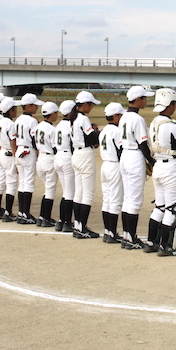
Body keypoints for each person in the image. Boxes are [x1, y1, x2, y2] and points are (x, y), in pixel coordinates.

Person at [144, 88, 176, 256]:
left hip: (158, 166)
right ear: (169, 104)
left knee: (160, 207)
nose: (175, 107)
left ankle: (151, 242)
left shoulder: (153, 124)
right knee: (172, 209)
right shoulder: (173, 125)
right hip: (171, 168)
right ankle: (166, 247)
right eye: (174, 104)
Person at [119, 85, 156, 249]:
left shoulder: (124, 117)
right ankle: (131, 238)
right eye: (145, 98)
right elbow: (143, 144)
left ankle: (127, 235)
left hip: (125, 156)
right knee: (134, 200)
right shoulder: (137, 119)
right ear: (138, 99)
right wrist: (153, 163)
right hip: (134, 156)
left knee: (127, 198)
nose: (146, 100)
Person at [71, 90, 101, 239]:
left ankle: (78, 225)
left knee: (79, 192)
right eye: (91, 105)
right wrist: (97, 133)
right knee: (87, 193)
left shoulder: (74, 118)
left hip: (76, 154)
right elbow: (91, 137)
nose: (91, 108)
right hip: (85, 155)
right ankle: (82, 227)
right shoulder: (83, 119)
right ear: (85, 104)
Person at [14, 93, 45, 224]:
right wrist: (38, 152)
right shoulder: (32, 121)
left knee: (22, 182)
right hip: (28, 151)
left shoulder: (18, 119)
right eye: (34, 105)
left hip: (19, 149)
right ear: (28, 106)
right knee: (29, 183)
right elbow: (34, 139)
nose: (36, 108)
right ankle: (25, 213)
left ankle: (22, 212)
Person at [98, 102, 126, 244]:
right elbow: (121, 151)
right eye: (120, 115)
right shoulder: (116, 131)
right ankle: (113, 233)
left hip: (105, 165)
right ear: (115, 116)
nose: (122, 118)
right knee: (115, 200)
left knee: (107, 199)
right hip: (115, 166)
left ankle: (107, 231)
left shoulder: (103, 131)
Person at [0, 97, 23, 222]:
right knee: (11, 183)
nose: (16, 110)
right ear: (10, 110)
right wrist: (16, 158)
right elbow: (13, 142)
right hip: (9, 154)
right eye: (15, 108)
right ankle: (8, 212)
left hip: (1, 153)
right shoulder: (11, 124)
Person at [34, 101, 60, 228]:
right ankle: (46, 218)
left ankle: (41, 217)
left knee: (47, 189)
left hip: (40, 159)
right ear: (52, 114)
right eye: (56, 113)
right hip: (49, 159)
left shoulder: (38, 127)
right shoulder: (52, 129)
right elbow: (55, 148)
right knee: (50, 190)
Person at [54, 100, 76, 232]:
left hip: (58, 157)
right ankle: (67, 222)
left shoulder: (59, 125)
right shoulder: (70, 125)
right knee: (70, 193)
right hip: (67, 157)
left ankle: (61, 221)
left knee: (66, 192)